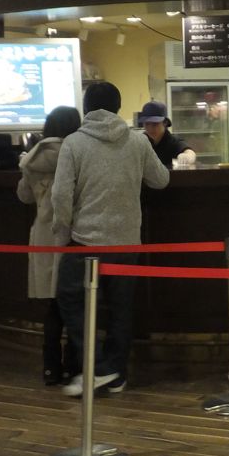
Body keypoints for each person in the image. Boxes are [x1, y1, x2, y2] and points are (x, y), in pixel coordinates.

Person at [50, 82, 169, 397]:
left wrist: (63, 231)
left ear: (87, 108)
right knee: (121, 308)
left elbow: (60, 195)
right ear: (118, 107)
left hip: (84, 240)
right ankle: (116, 374)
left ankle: (98, 367)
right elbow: (161, 180)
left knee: (71, 300)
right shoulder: (137, 140)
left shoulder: (74, 143)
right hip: (127, 240)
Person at [18, 105, 81, 387]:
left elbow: (23, 196)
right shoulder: (75, 154)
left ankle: (50, 368)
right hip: (70, 233)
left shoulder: (32, 157)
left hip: (43, 235)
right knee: (74, 303)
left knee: (52, 305)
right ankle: (72, 366)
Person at [139, 101, 196, 169]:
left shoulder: (172, 141)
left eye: (155, 124)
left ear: (165, 123)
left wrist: (186, 157)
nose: (150, 128)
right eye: (147, 124)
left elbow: (190, 153)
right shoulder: (141, 141)